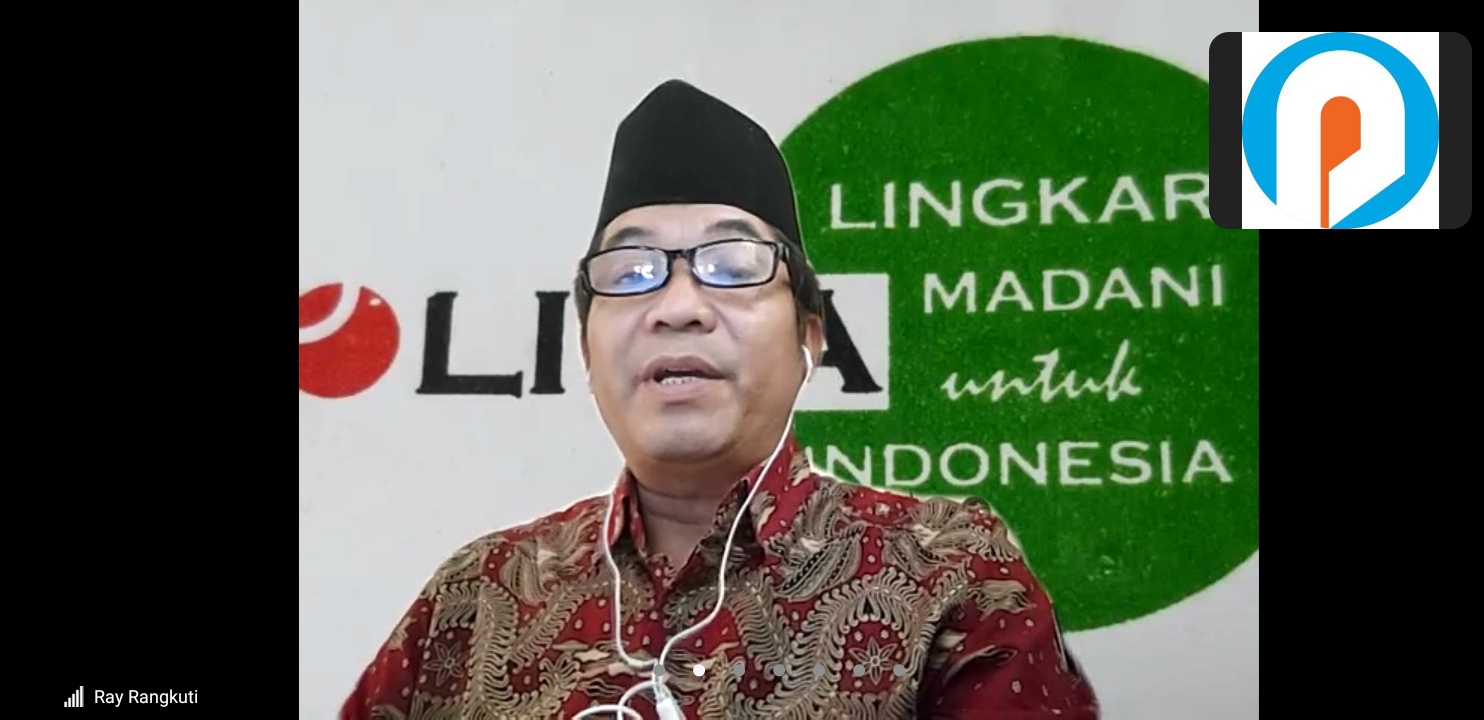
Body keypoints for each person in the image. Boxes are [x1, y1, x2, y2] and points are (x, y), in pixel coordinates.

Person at [340, 79, 1099, 720]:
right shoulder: (477, 597)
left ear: (810, 338)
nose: (677, 307)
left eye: (733, 266)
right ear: (587, 351)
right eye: (631, 272)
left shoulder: (948, 571)